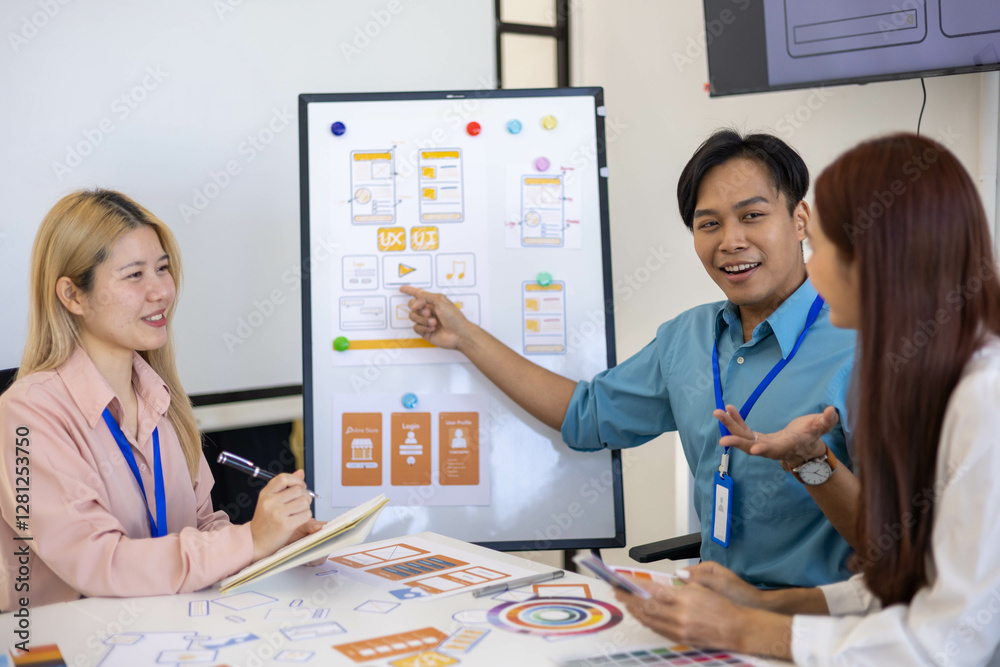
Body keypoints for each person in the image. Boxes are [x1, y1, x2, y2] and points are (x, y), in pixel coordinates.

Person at [403, 130, 858, 588]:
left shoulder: (862, 345)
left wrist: (811, 461)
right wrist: (464, 336)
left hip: (822, 627)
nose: (731, 241)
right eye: (709, 224)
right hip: (711, 611)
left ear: (801, 220)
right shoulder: (688, 338)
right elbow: (585, 416)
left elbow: (898, 538)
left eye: (752, 216)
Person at [615, 133, 1000, 665]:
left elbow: (949, 639)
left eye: (820, 247)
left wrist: (746, 628)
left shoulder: (985, 400)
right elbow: (911, 582)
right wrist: (763, 605)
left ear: (880, 255)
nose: (810, 270)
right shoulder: (948, 374)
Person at [0, 190, 321, 610]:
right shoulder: (27, 414)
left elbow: (204, 528)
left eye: (163, 269)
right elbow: (99, 564)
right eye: (134, 275)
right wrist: (249, 540)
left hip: (166, 634)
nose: (161, 292)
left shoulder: (161, 399)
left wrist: (275, 545)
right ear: (72, 295)